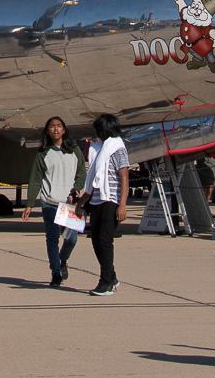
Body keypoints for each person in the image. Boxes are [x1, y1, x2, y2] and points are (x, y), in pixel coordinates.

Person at [19, 115, 86, 285]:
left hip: (70, 204)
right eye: (52, 126)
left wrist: (77, 189)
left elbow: (81, 174)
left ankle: (62, 260)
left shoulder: (75, 150)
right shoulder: (43, 153)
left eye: (59, 126)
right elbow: (35, 179)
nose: (55, 129)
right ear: (47, 131)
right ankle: (56, 272)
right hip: (50, 203)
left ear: (64, 130)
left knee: (72, 239)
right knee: (52, 239)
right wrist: (29, 204)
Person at [76, 113, 129, 296]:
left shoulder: (117, 148)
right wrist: (81, 202)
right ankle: (112, 276)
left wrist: (122, 205)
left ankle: (106, 282)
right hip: (97, 200)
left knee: (105, 240)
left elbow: (124, 177)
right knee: (96, 240)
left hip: (111, 200)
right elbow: (92, 181)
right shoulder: (99, 149)